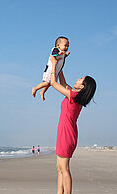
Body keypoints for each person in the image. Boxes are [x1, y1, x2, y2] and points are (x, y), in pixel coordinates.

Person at [49, 54, 96, 194]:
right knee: (59, 168)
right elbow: (63, 82)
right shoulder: (74, 95)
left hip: (67, 134)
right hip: (65, 132)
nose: (77, 79)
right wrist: (60, 64)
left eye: (80, 79)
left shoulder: (74, 96)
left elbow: (53, 83)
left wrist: (52, 65)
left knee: (64, 169)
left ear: (82, 86)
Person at [32, 36, 70, 101]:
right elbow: (54, 55)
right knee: (47, 83)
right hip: (50, 70)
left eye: (68, 46)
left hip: (56, 71)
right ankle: (35, 88)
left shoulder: (62, 53)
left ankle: (43, 92)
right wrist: (59, 53)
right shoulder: (55, 49)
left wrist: (66, 55)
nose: (67, 47)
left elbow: (62, 58)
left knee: (50, 84)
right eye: (65, 45)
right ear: (58, 45)